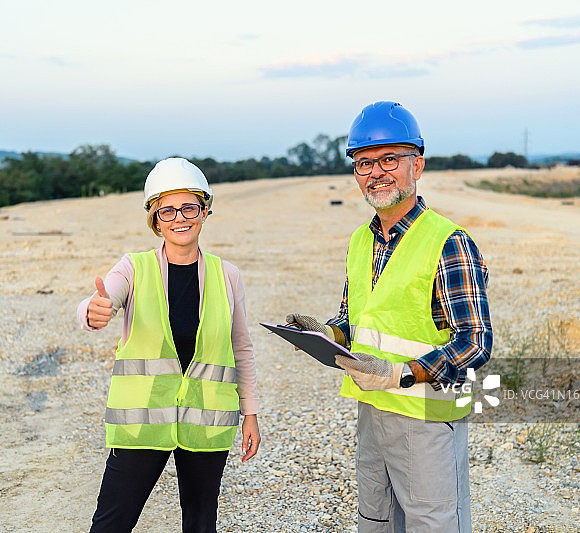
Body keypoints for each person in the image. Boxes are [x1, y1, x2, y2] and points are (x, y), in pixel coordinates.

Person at [286, 101, 492, 532]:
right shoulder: (361, 241)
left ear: (417, 164)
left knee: (432, 523)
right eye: (364, 163)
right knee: (376, 520)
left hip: (426, 416)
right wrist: (328, 333)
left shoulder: (448, 241)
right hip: (372, 408)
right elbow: (356, 316)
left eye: (389, 159)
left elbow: (475, 342)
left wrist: (402, 373)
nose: (376, 172)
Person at [77, 157, 261, 533]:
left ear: (205, 212)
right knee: (111, 522)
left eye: (189, 207)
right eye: (168, 211)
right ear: (155, 220)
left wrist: (251, 413)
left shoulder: (227, 275)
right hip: (143, 421)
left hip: (205, 422)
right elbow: (102, 299)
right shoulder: (133, 268)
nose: (180, 218)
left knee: (200, 524)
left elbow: (241, 347)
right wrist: (92, 310)